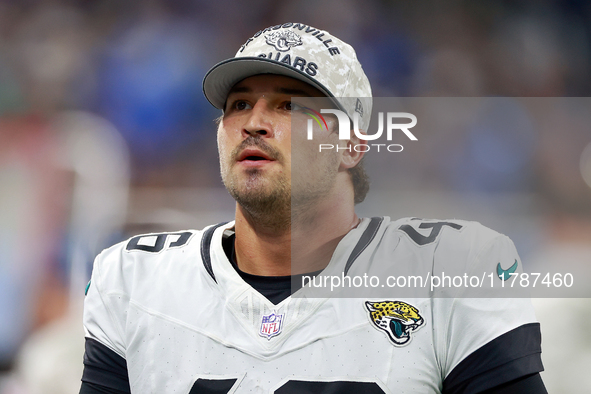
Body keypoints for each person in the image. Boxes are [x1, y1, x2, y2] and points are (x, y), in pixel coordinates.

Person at [79, 23, 546, 393]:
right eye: (239, 104)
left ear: (351, 146)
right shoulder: (133, 279)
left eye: (287, 106)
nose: (254, 123)